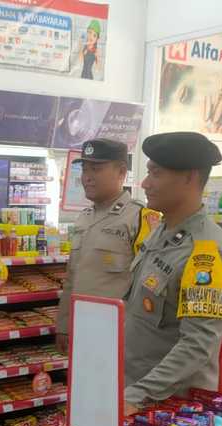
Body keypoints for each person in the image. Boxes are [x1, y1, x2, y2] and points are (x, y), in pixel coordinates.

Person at [124, 132, 222, 412]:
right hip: (136, 395)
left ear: (190, 177)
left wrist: (136, 396)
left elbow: (197, 345)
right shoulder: (162, 231)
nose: (145, 183)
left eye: (156, 173)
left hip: (171, 410)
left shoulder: (206, 252)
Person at [58, 138, 153, 353]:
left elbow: (147, 286)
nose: (87, 177)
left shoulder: (139, 218)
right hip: (81, 329)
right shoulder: (84, 218)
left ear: (121, 172)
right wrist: (64, 325)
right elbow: (72, 278)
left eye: (96, 169)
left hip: (119, 334)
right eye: (85, 169)